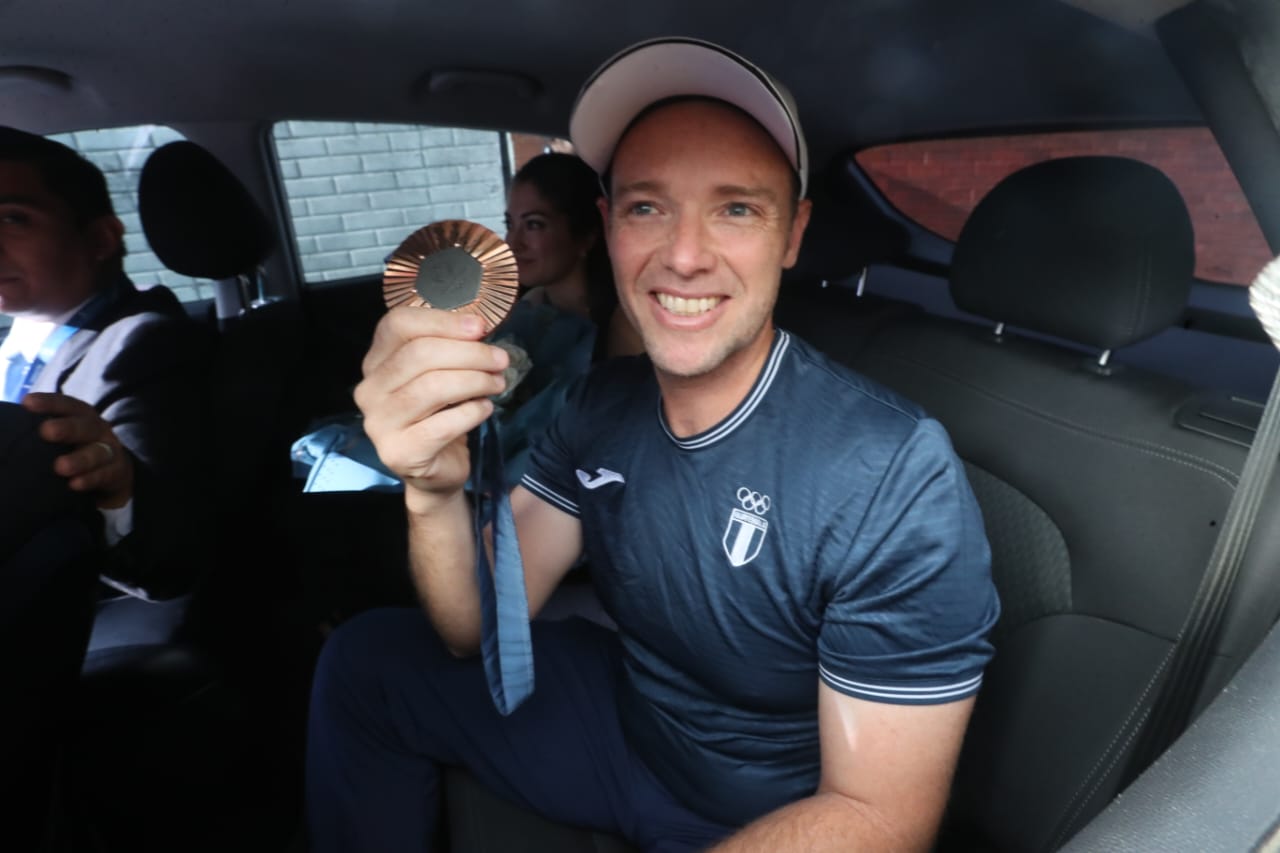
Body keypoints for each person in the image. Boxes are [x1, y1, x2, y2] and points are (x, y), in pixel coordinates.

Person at [305, 36, 1000, 853]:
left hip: (764, 808)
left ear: (792, 234)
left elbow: (880, 815)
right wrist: (428, 488)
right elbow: (476, 629)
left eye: (736, 208)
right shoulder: (599, 404)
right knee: (364, 663)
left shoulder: (891, 473)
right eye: (646, 207)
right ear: (608, 226)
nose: (683, 255)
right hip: (623, 726)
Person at [0, 125, 213, 606]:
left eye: (13, 219)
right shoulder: (25, 343)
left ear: (99, 238)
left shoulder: (140, 345)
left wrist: (117, 494)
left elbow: (167, 554)